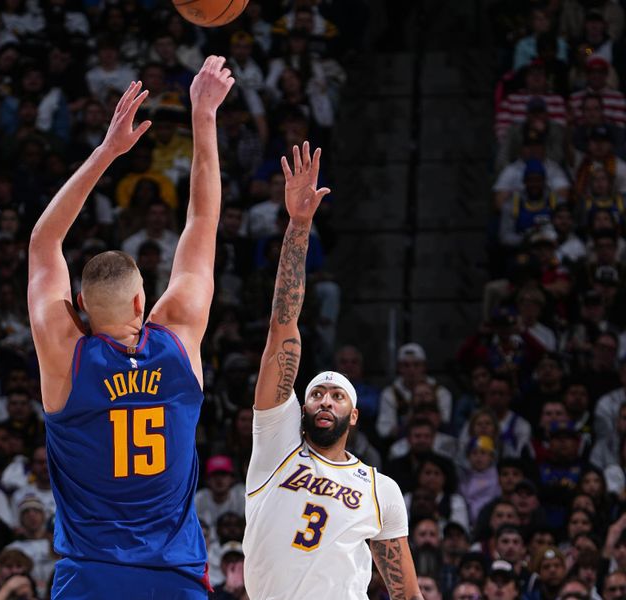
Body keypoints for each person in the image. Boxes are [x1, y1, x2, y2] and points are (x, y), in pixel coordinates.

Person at [27, 58, 234, 598]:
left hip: (89, 575)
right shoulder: (180, 337)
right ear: (144, 299)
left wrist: (107, 152)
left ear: (79, 305)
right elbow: (202, 222)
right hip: (173, 575)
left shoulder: (64, 353)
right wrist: (203, 114)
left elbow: (44, 245)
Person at [242, 142, 419, 600]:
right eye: (317, 393)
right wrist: (300, 226)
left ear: (354, 416)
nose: (325, 399)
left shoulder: (382, 490)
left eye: (338, 396)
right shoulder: (277, 445)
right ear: (302, 406)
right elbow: (283, 322)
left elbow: (406, 594)